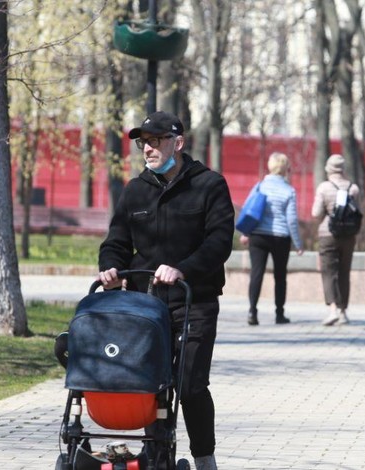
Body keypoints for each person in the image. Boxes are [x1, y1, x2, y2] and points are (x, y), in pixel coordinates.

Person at [97, 111, 233, 470]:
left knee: (189, 386)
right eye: (144, 142)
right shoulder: (136, 190)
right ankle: (158, 459)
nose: (148, 149)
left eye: (156, 141)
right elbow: (116, 242)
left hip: (195, 302)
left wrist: (182, 269)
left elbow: (220, 242)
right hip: (147, 306)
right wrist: (111, 267)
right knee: (150, 384)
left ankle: (205, 458)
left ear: (178, 142)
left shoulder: (209, 185)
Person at [239, 152, 304, 326]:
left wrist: (245, 233)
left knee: (256, 274)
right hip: (280, 237)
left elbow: (249, 209)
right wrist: (298, 244)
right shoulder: (289, 190)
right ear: (286, 169)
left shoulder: (260, 186)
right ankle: (279, 314)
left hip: (258, 236)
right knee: (280, 276)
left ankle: (252, 312)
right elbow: (291, 220)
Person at [311, 154, 360, 326]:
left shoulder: (324, 187)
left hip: (328, 234)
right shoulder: (353, 188)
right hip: (348, 235)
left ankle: (332, 309)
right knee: (344, 272)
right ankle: (343, 311)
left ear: (328, 169)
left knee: (329, 271)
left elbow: (316, 213)